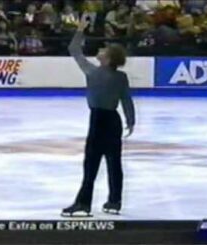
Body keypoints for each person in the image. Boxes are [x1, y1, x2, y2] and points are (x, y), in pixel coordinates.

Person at [61, 18, 135, 217]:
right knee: (113, 163)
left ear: (108, 59)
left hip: (99, 121)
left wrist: (80, 30)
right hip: (113, 121)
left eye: (104, 50)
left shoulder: (92, 71)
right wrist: (130, 120)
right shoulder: (120, 77)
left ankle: (83, 203)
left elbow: (74, 50)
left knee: (92, 164)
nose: (100, 51)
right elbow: (126, 100)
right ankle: (114, 201)